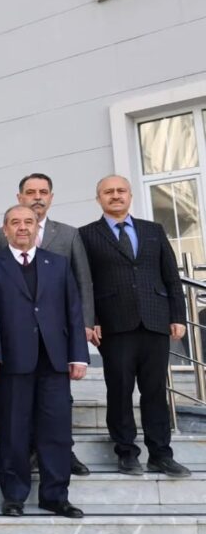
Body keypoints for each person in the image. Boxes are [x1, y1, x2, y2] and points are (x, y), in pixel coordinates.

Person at [79, 175, 190, 478]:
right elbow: (84, 282)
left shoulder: (153, 230)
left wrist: (178, 316)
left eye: (121, 191)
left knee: (155, 391)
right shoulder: (86, 235)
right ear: (99, 198)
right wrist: (91, 320)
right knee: (120, 390)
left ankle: (161, 454)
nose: (115, 196)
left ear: (130, 196)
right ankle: (126, 452)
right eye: (108, 192)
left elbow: (171, 276)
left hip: (155, 321)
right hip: (114, 325)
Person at [0, 206, 89, 518]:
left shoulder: (57, 263)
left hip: (54, 361)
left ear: (36, 228)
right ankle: (14, 496)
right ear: (5, 230)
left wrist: (78, 355)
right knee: (14, 430)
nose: (22, 227)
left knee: (56, 431)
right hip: (12, 362)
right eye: (15, 222)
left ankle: (55, 496)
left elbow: (73, 310)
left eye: (28, 222)